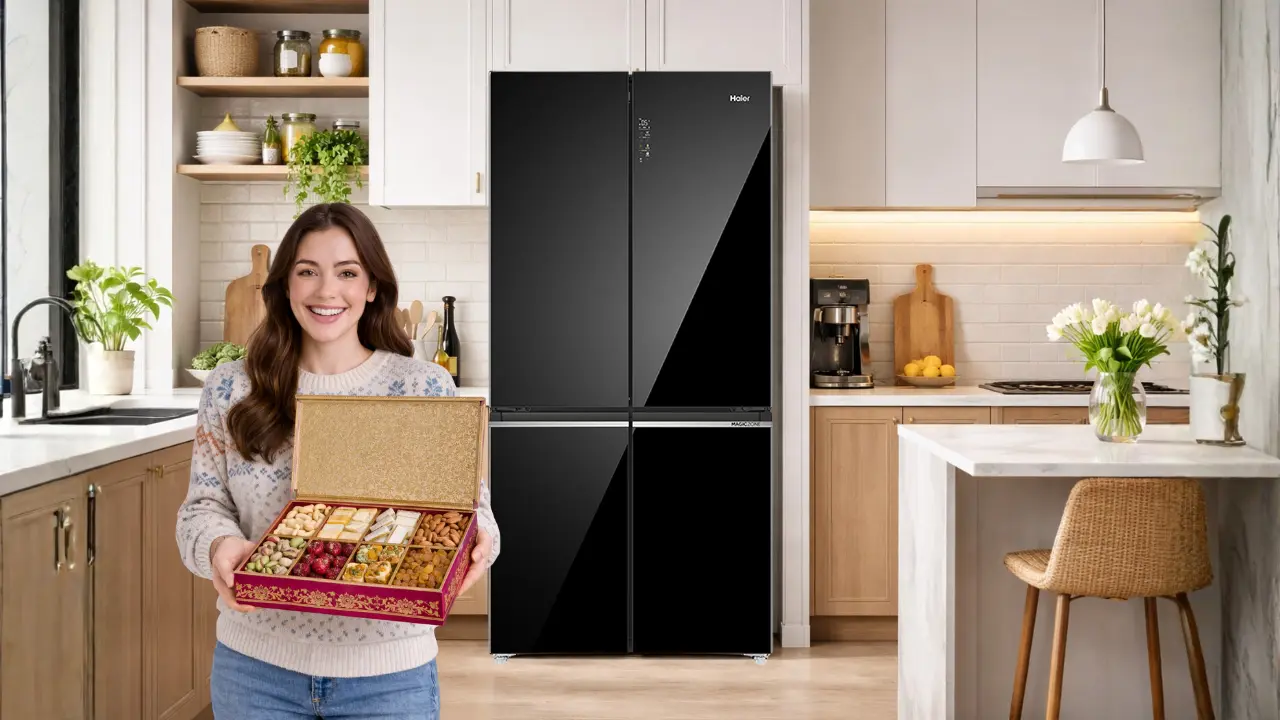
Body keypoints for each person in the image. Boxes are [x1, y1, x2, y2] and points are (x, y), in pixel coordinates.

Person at [175, 203, 499, 719]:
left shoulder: (421, 387)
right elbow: (201, 508)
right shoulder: (232, 388)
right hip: (255, 666)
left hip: (389, 674)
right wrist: (220, 546)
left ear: (372, 286)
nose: (327, 291)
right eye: (308, 272)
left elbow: (470, 510)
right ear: (285, 286)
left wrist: (480, 543)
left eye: (347, 272)